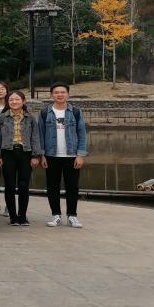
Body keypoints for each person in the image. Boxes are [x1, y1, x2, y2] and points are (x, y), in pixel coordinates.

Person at [37, 82, 87, 228]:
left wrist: (80, 155)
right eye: (56, 92)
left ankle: (72, 215)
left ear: (68, 95)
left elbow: (82, 133)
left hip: (71, 155)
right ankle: (56, 215)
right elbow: (40, 134)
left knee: (72, 187)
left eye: (63, 92)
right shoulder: (44, 112)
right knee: (53, 186)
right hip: (51, 156)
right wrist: (42, 155)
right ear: (52, 95)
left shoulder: (76, 112)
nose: (59, 95)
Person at [0, 89, 37, 226]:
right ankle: (13, 216)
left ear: (23, 101)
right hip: (8, 152)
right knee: (9, 185)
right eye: (11, 99)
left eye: (17, 99)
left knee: (24, 185)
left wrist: (36, 155)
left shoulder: (30, 118)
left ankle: (22, 216)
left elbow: (35, 137)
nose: (14, 102)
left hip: (25, 152)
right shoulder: (2, 117)